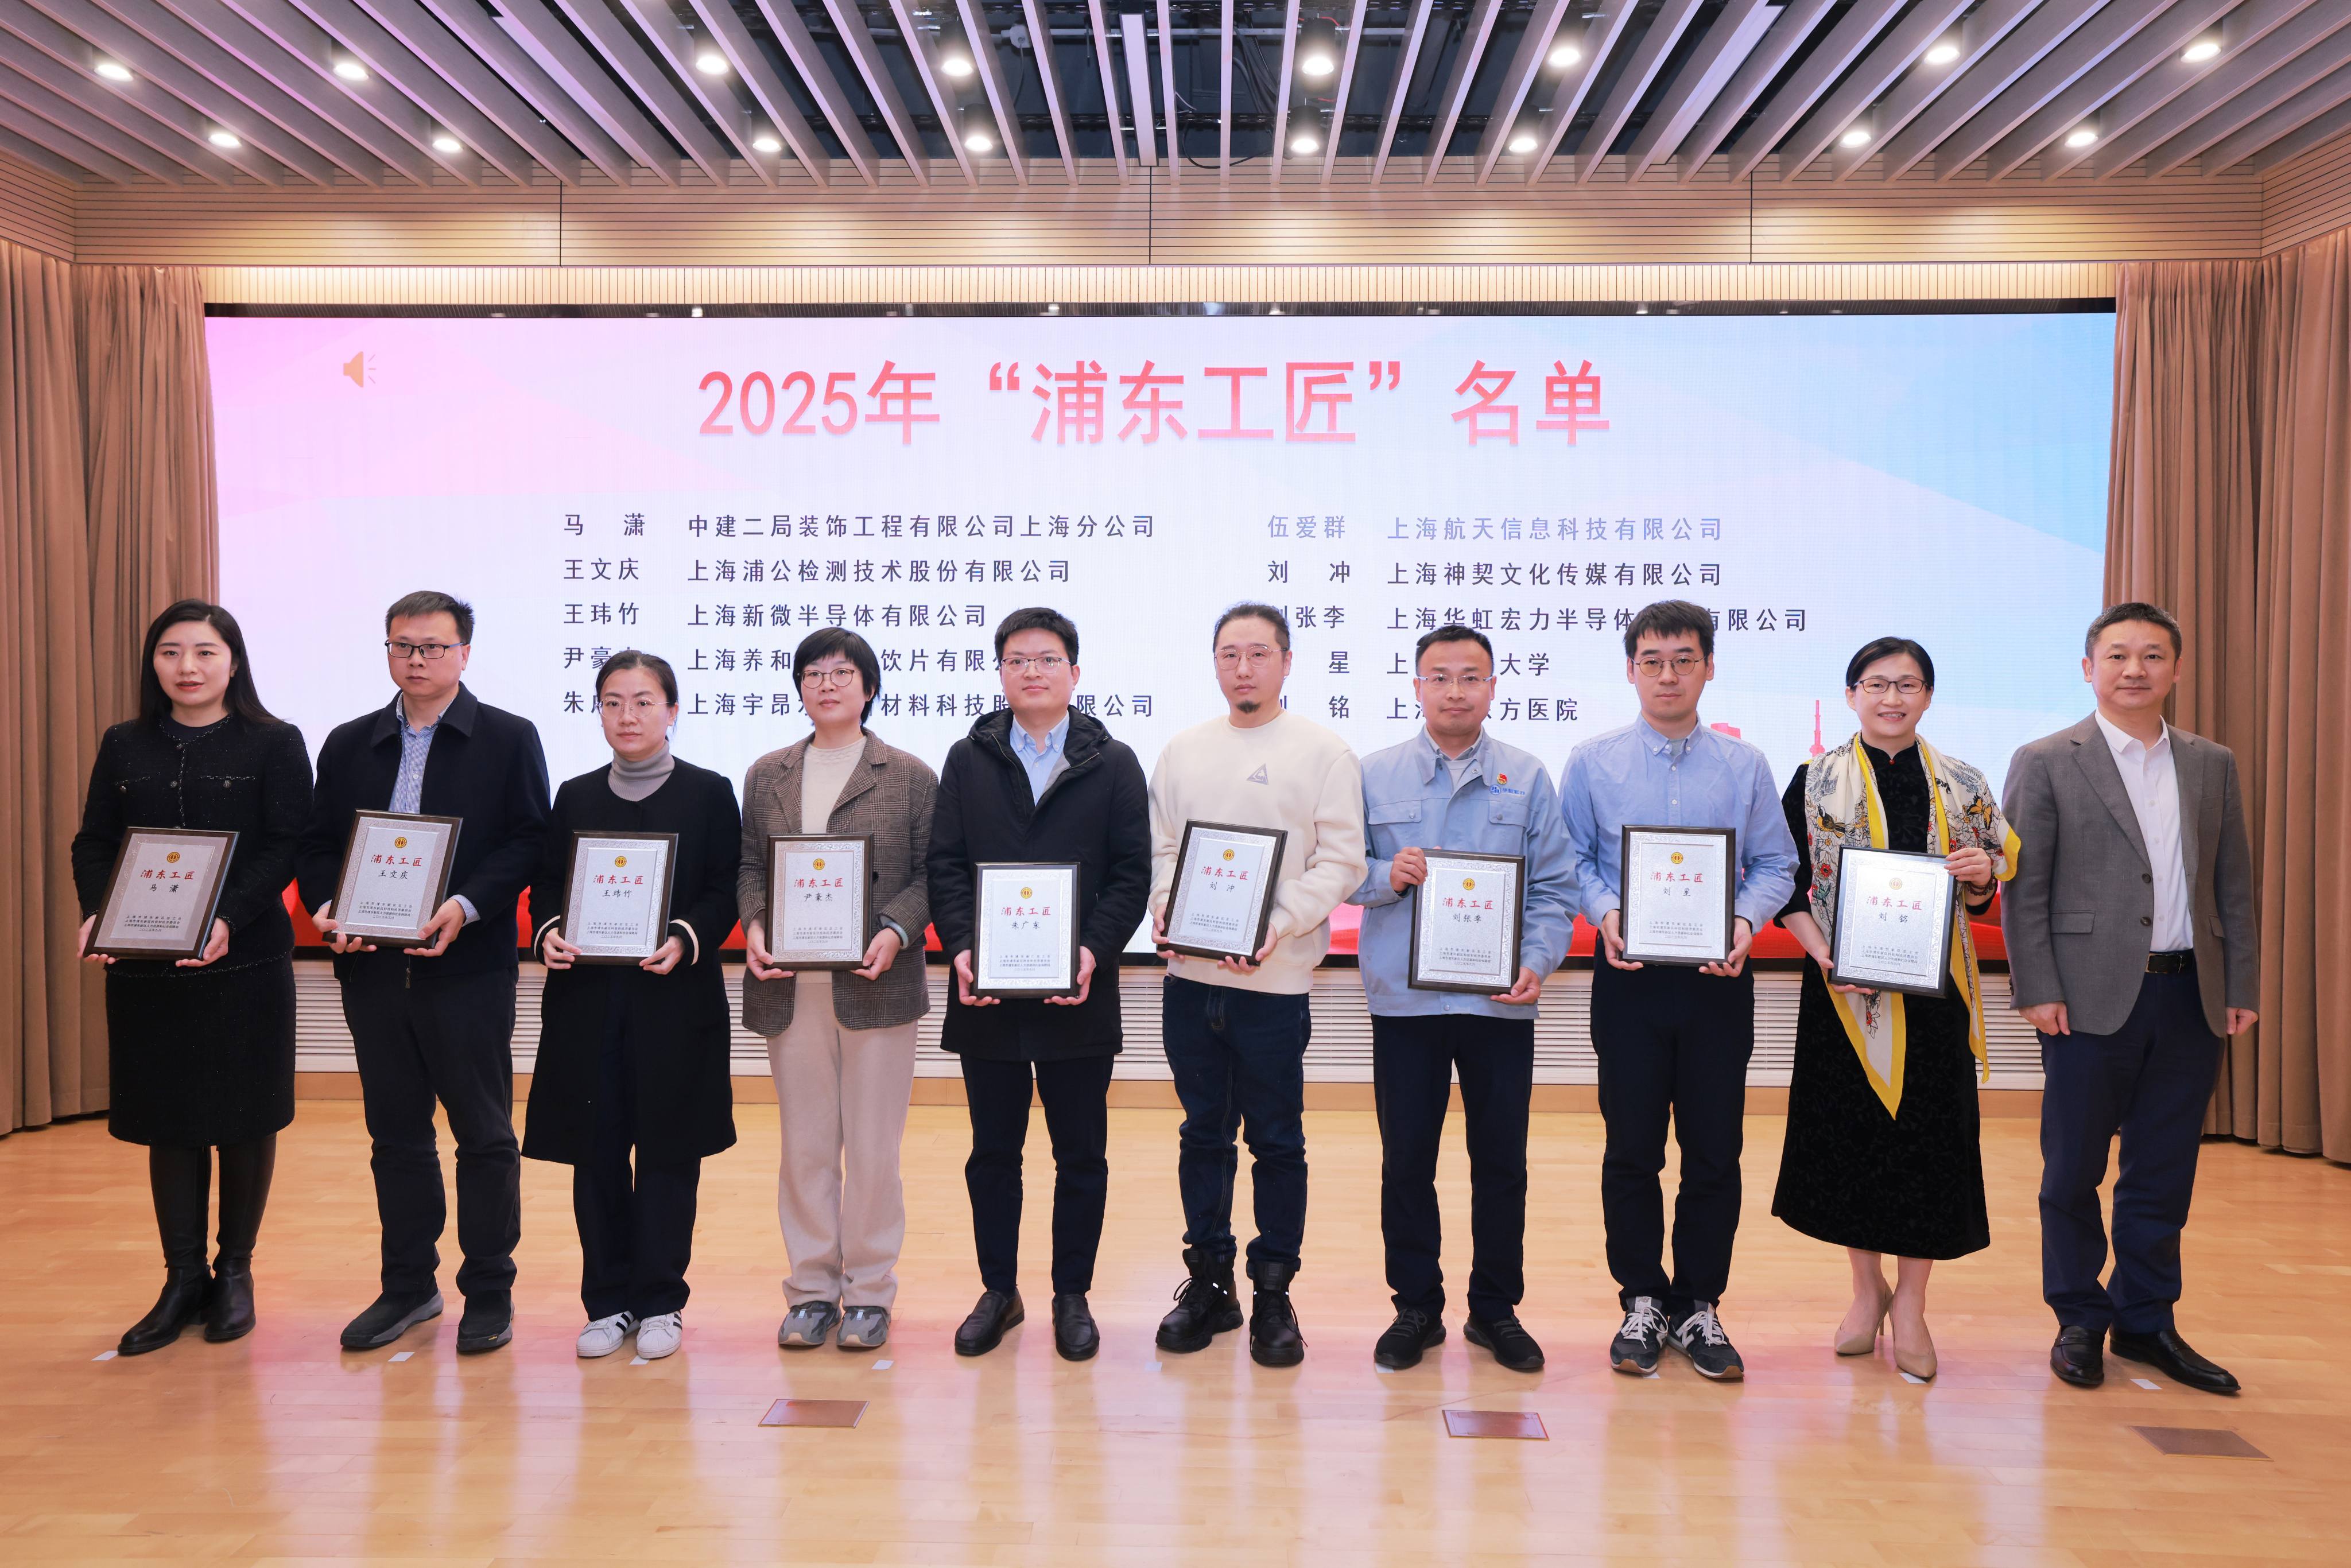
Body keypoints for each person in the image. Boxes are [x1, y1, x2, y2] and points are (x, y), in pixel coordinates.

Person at [2002, 603, 2257, 1396]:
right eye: (2117, 655)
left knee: (2163, 1169)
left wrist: (2239, 983)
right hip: (2085, 999)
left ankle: (2146, 1319)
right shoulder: (2046, 760)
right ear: (2089, 669)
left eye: (2152, 655)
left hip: (2190, 996)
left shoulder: (2211, 763)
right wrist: (2037, 987)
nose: (2134, 669)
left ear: (2177, 669)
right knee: (2072, 1168)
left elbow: (2233, 883)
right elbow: (2024, 889)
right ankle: (2079, 1316)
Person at [296, 591, 550, 1356]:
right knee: (395, 1134)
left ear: (464, 654)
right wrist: (329, 907)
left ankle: (489, 1288)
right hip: (372, 971)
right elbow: (316, 844)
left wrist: (465, 906)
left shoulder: (508, 737)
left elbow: (529, 840)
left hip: (466, 967)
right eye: (403, 645)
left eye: (434, 646)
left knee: (484, 1134)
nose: (417, 659)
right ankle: (408, 1285)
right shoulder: (349, 743)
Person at [1560, 599, 1798, 1383]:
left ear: (1709, 667)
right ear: (1631, 670)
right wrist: (1607, 913)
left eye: (1684, 660)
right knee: (1631, 1149)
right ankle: (1640, 1298)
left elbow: (1777, 864)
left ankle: (1698, 1303)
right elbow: (1572, 859)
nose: (1668, 675)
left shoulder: (1745, 765)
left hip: (1715, 983)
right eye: (1653, 661)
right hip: (1627, 982)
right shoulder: (1591, 762)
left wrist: (1743, 920)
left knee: (1714, 1151)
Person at [1772, 638, 2017, 1381]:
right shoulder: (1814, 780)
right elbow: (1784, 883)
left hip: (1936, 998)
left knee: (1927, 1148)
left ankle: (1912, 1303)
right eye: (1875, 684)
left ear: (1928, 697)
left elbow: (1988, 883)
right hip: (1844, 996)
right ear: (1851, 695)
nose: (1891, 698)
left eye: (1907, 685)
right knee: (1855, 1144)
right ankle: (1865, 1289)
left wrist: (1979, 875)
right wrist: (1826, 957)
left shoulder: (1963, 783)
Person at [72, 601, 313, 1356]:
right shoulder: (125, 743)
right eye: (171, 651)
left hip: (244, 960)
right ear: (154, 663)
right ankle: (182, 1278)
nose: (187, 667)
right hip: (146, 965)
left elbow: (287, 844)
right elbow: (94, 841)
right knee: (168, 1117)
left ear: (233, 662)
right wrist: (98, 912)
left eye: (205, 651)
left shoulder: (274, 742)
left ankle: (234, 1270)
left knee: (244, 1115)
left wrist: (229, 917)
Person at [1347, 624, 1575, 1373]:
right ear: (1416, 686)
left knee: (1501, 1162)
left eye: (1470, 677)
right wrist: (1385, 876)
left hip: (1497, 1003)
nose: (1454, 691)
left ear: (1492, 687)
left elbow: (1554, 888)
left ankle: (1494, 1309)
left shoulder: (1528, 777)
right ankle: (1416, 1306)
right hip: (1405, 1004)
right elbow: (1338, 869)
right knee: (1407, 1160)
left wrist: (1536, 960)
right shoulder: (1373, 774)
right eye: (1439, 676)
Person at [928, 608, 1152, 1360]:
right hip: (986, 993)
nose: (1032, 671)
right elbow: (945, 865)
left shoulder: (1113, 762)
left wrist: (1091, 951)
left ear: (1074, 673)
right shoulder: (969, 759)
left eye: (1048, 659)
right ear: (1000, 673)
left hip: (1077, 991)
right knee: (993, 1153)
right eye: (1018, 659)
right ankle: (1000, 1289)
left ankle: (1071, 1293)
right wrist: (963, 947)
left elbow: (1132, 873)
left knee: (1080, 1155)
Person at [1148, 603, 1367, 1368]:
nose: (1243, 668)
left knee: (1277, 1139)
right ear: (1215, 662)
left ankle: (1274, 1292)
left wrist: (1276, 922)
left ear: (1286, 661)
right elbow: (1162, 848)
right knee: (1202, 1134)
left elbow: (1343, 860)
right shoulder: (1183, 750)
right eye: (1229, 654)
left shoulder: (1324, 752)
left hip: (1275, 983)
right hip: (1189, 979)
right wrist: (1167, 906)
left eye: (1259, 653)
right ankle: (1210, 1284)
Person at [526, 652, 740, 1362]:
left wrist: (685, 935)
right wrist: (549, 930)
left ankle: (661, 1301)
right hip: (587, 1000)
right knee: (596, 1152)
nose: (628, 715)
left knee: (669, 1152)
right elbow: (548, 883)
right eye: (613, 701)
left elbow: (724, 887)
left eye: (644, 701)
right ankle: (606, 1301)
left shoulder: (708, 792)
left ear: (672, 711)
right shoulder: (576, 794)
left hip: (674, 997)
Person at [738, 628, 935, 1353]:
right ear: (798, 687)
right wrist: (755, 923)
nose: (827, 684)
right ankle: (812, 1289)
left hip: (875, 981)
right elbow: (748, 867)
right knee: (806, 1145)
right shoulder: (768, 773)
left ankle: (871, 1292)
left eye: (842, 672)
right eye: (813, 673)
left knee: (875, 1148)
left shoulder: (909, 774)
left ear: (869, 687)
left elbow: (932, 873)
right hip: (791, 986)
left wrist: (895, 929)